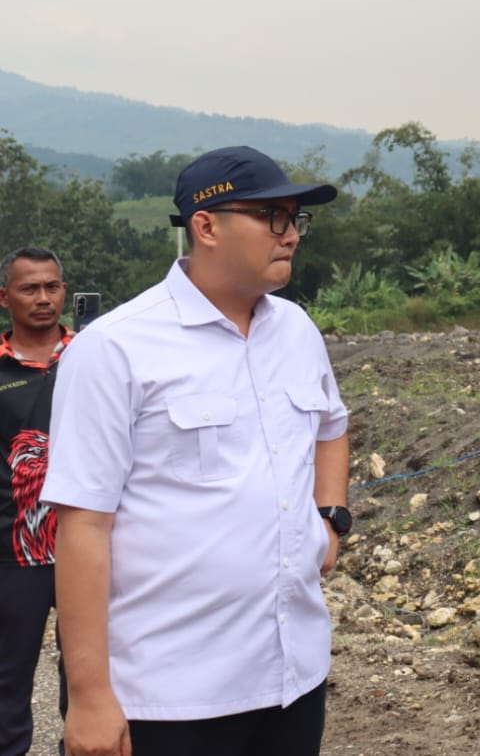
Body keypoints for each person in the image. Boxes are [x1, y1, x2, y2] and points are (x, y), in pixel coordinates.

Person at [42, 146, 348, 756]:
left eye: (295, 219)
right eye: (273, 218)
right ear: (205, 226)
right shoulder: (116, 350)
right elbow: (82, 526)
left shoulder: (296, 330)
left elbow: (330, 427)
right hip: (168, 694)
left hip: (293, 676)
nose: (290, 235)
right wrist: (90, 695)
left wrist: (330, 520)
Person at [0, 247, 71, 756]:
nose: (43, 298)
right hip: (12, 554)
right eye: (29, 288)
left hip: (89, 548)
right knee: (7, 680)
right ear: (5, 298)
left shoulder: (96, 355)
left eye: (52, 286)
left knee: (96, 674)